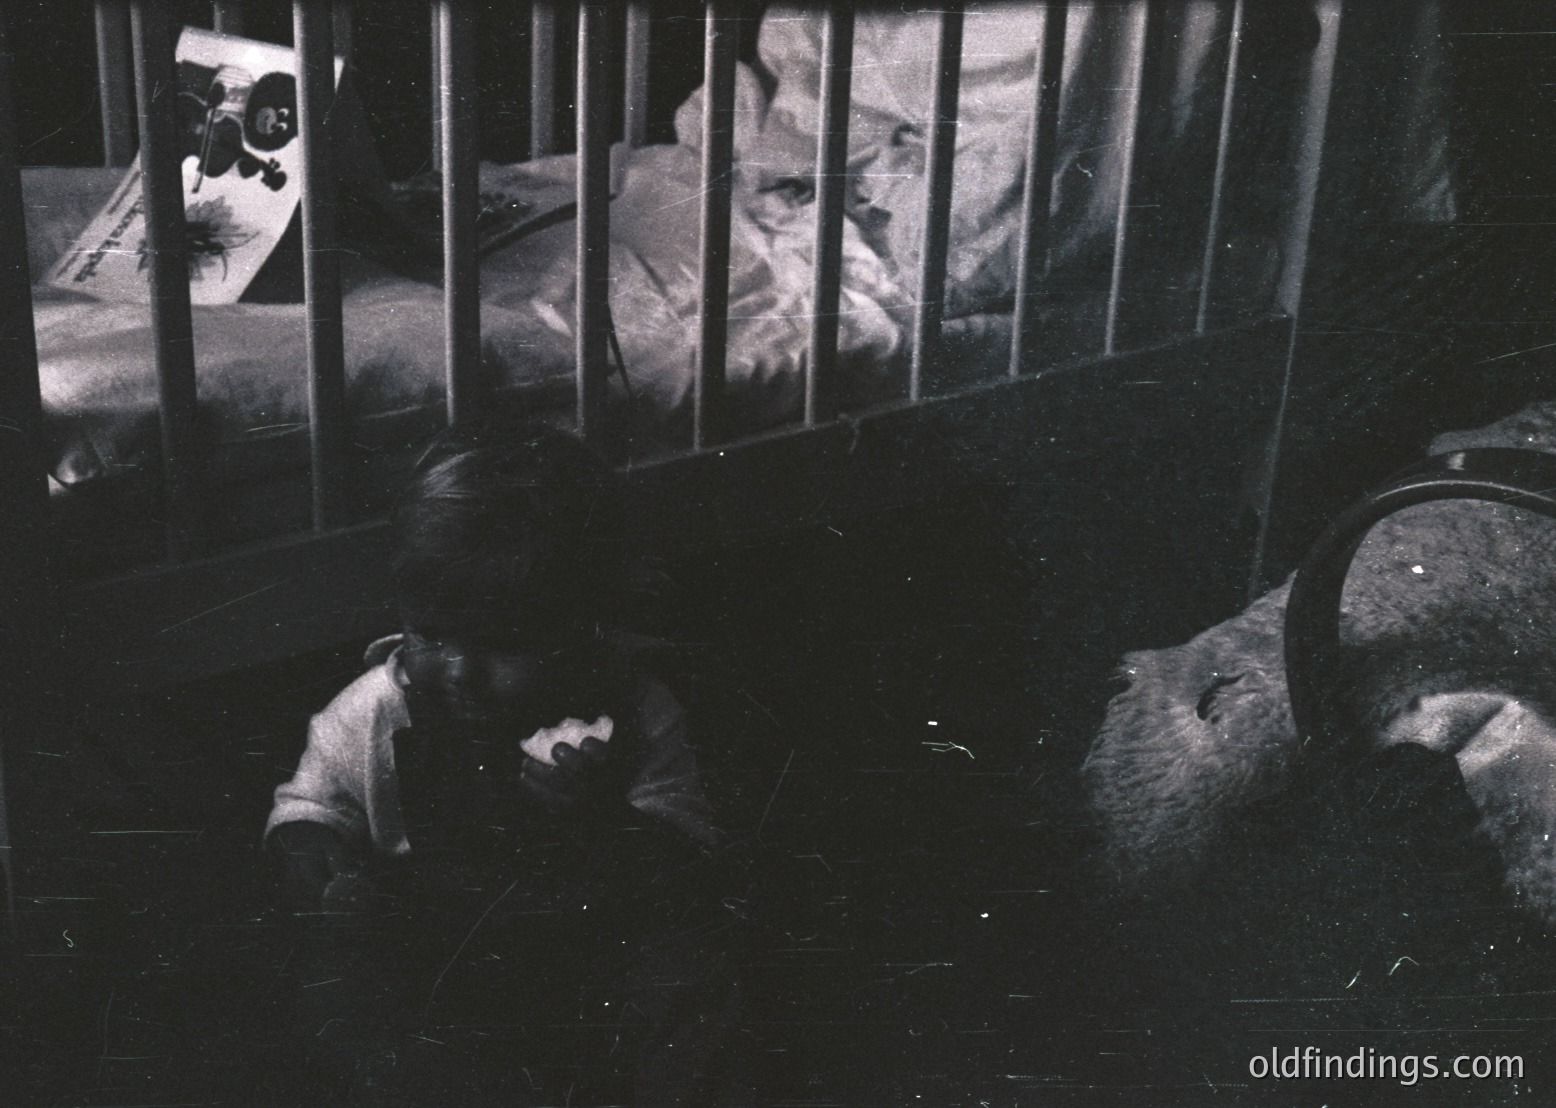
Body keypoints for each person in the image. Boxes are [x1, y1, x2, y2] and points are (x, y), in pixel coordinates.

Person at [266, 420, 738, 1104]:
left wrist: (603, 815)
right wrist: (310, 846)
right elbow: (315, 800)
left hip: (589, 940)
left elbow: (687, 851)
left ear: (585, 624)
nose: (460, 671)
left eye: (502, 644)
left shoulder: (632, 707)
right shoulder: (376, 708)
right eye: (430, 634)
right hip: (434, 944)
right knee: (339, 990)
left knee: (689, 976)